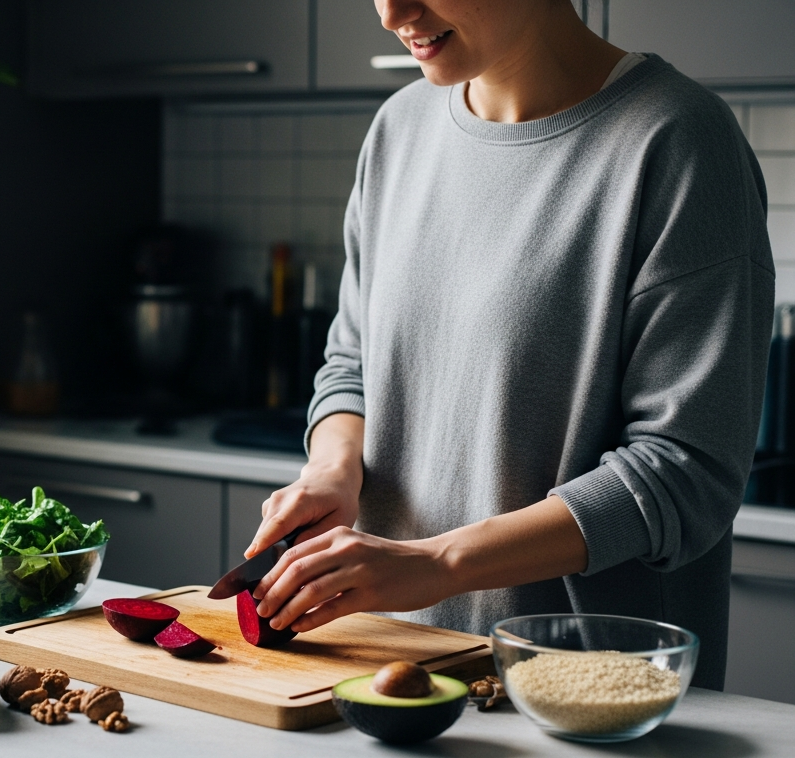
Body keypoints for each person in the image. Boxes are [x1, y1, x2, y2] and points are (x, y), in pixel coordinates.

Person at [248, 0, 773, 690]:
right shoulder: (399, 130)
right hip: (391, 669)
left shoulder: (677, 141)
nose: (391, 13)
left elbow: (684, 471)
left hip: (585, 692)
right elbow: (353, 363)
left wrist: (439, 564)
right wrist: (333, 470)